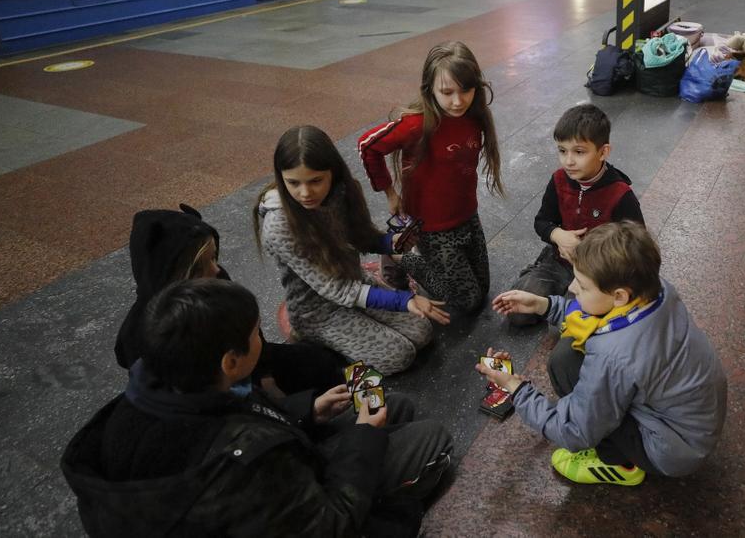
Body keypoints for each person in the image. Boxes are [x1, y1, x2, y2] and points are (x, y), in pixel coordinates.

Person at [62, 279, 453, 537]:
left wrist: (307, 412)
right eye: (254, 335)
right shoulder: (241, 460)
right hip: (306, 504)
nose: (261, 342)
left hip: (278, 482)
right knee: (433, 439)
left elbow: (246, 419)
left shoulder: (162, 386)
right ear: (229, 362)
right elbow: (327, 524)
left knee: (394, 404)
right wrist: (364, 436)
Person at [479, 221, 727, 486]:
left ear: (619, 295)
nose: (573, 288)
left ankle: (621, 464)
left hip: (671, 451)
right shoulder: (655, 290)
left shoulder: (614, 354)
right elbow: (595, 314)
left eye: (583, 286)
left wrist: (517, 390)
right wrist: (544, 305)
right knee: (566, 358)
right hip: (694, 423)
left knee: (565, 364)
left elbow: (574, 430)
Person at [256, 125, 448, 377]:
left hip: (355, 283)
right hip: (318, 311)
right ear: (281, 178)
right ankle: (310, 339)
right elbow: (337, 290)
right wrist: (403, 300)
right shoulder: (279, 225)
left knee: (422, 332)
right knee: (399, 356)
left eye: (315, 181)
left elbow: (362, 237)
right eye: (293, 182)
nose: (305, 193)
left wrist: (394, 241)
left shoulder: (343, 191)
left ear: (333, 174)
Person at [115, 203, 345, 395]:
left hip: (248, 362)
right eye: (198, 268)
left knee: (324, 364)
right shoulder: (140, 336)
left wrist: (265, 375)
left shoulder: (214, 278)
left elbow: (251, 331)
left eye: (214, 257)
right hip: (219, 392)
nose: (216, 270)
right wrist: (288, 410)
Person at [358, 41, 504, 317]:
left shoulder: (474, 116)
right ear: (430, 89)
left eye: (466, 90)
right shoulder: (417, 124)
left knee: (482, 290)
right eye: (447, 92)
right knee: (467, 301)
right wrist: (390, 193)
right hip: (432, 227)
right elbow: (368, 146)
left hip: (467, 216)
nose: (458, 101)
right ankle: (399, 254)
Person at [507, 104, 644, 326]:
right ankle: (553, 291)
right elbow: (542, 221)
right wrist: (557, 235)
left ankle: (564, 302)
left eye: (579, 152)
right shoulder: (559, 180)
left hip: (596, 275)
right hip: (558, 261)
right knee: (517, 313)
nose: (568, 161)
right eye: (562, 150)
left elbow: (636, 247)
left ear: (603, 152)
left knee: (573, 328)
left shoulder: (620, 194)